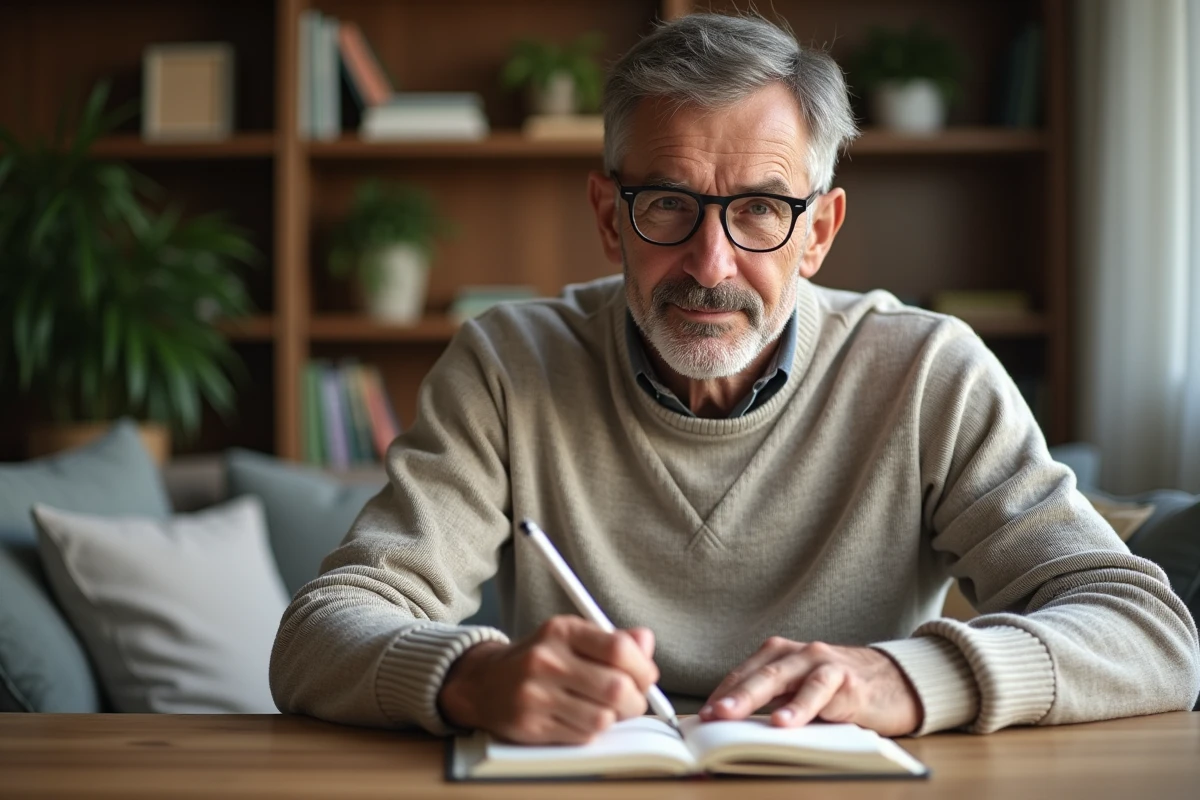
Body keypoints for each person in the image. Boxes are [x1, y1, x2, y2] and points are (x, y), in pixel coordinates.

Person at [270, 13, 1199, 743]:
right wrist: (469, 677)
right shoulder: (509, 365)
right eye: (668, 205)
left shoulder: (926, 371)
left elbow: (1152, 637)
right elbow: (318, 635)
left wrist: (910, 678)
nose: (710, 264)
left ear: (820, 232)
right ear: (609, 217)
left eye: (759, 209)